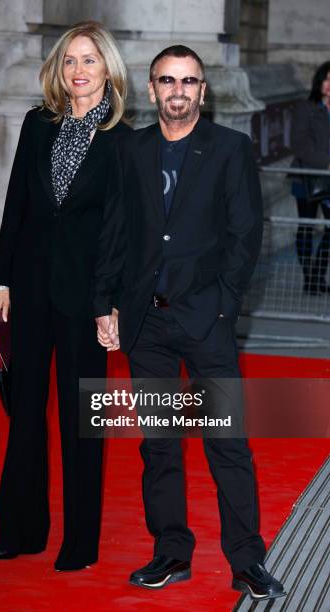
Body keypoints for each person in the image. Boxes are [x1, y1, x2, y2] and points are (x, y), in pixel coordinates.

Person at [93, 45, 286, 600]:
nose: (178, 90)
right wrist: (104, 304)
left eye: (189, 81)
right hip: (146, 326)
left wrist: (223, 306)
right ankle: (171, 553)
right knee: (159, 445)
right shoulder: (130, 150)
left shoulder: (230, 149)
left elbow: (245, 235)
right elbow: (115, 232)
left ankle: (247, 561)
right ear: (151, 90)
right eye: (167, 80)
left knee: (227, 443)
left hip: (208, 323)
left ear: (203, 91)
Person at [0, 20, 130, 571]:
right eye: (69, 60)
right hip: (30, 286)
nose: (77, 71)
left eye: (89, 60)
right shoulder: (36, 124)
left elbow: (120, 229)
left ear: (107, 68)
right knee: (24, 410)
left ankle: (79, 542)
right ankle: (19, 530)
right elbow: (16, 204)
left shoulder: (123, 140)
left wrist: (108, 301)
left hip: (85, 296)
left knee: (80, 418)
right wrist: (2, 279)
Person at [290, 61, 330, 295]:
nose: (329, 85)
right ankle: (310, 279)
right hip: (307, 177)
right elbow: (299, 144)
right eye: (326, 79)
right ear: (319, 82)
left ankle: (316, 275)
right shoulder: (306, 108)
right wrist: (325, 163)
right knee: (305, 227)